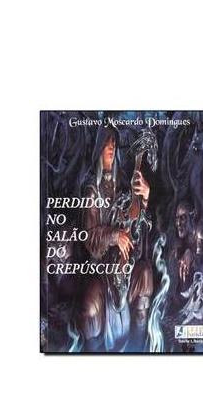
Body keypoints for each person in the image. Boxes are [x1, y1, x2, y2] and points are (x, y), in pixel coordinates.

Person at [75, 126, 154, 352]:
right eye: (107, 143)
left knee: (145, 275)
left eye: (114, 144)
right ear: (98, 149)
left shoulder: (123, 184)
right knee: (89, 308)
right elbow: (89, 237)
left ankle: (138, 348)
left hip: (125, 267)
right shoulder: (92, 191)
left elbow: (137, 223)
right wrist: (114, 235)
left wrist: (145, 197)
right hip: (101, 271)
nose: (111, 147)